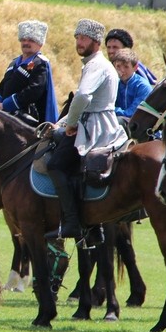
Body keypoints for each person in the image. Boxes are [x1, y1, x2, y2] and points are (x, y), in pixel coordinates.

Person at [47, 19, 126, 239]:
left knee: (55, 165)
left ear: (96, 41)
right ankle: (92, 226)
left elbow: (82, 96)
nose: (79, 43)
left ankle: (72, 222)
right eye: (77, 38)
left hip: (95, 127)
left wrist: (70, 124)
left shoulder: (96, 65)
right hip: (93, 121)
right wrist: (61, 124)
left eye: (83, 39)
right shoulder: (94, 64)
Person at [0, 20, 59, 125]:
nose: (26, 43)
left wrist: (6, 105)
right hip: (5, 114)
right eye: (23, 39)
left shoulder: (40, 63)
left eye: (31, 40)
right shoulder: (14, 62)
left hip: (27, 121)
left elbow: (34, 91)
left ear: (40, 43)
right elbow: (3, 85)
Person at [113, 48, 151, 128]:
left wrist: (110, 109)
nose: (122, 70)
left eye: (126, 67)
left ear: (135, 67)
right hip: (118, 119)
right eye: (118, 66)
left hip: (138, 125)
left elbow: (131, 114)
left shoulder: (142, 86)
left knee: (117, 122)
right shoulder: (114, 82)